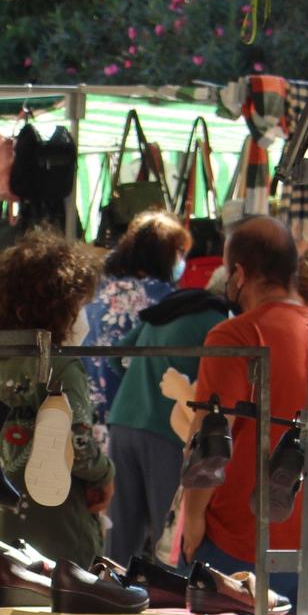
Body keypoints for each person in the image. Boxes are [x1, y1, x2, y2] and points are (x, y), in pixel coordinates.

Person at [163, 217, 308, 602]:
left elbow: (210, 439)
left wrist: (192, 522)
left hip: (239, 545)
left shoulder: (236, 335)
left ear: (239, 272)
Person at [0, 229, 114, 565]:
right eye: (81, 305)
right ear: (63, 305)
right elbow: (79, 446)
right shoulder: (60, 367)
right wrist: (105, 475)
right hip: (53, 543)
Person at [102, 223, 229, 563]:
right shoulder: (219, 325)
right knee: (167, 534)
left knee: (120, 536)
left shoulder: (167, 311)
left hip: (123, 422)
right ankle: (167, 606)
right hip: (165, 432)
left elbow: (118, 355)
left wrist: (136, 385)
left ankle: (108, 598)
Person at [80, 210, 188, 418]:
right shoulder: (161, 298)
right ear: (164, 254)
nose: (182, 260)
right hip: (131, 414)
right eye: (180, 252)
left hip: (88, 410)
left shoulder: (99, 289)